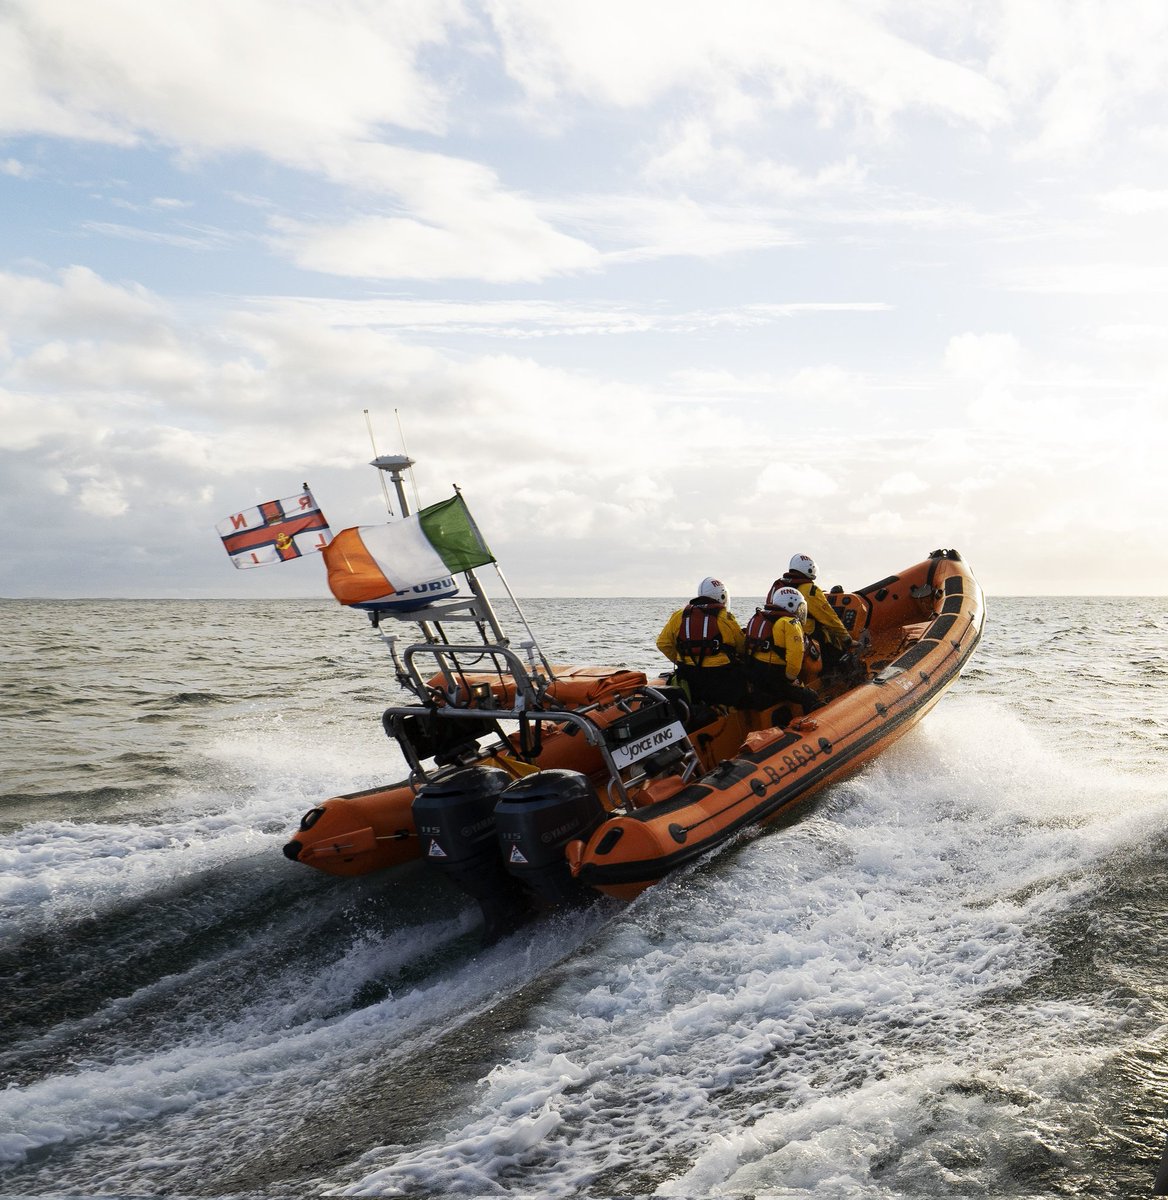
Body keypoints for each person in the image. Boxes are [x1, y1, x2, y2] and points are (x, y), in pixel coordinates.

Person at [656, 576, 746, 708]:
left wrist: (680, 659)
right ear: (722, 596)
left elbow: (663, 643)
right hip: (720, 677)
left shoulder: (679, 615)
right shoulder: (725, 618)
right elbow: (741, 647)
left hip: (688, 675)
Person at [743, 586, 823, 716]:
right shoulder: (790, 623)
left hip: (755, 673)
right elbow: (795, 656)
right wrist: (791, 678)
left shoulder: (760, 618)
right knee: (811, 697)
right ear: (791, 604)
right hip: (775, 675)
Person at [772, 553, 857, 675]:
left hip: (779, 634)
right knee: (835, 648)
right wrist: (846, 639)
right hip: (804, 633)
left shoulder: (781, 585)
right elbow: (829, 618)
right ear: (809, 568)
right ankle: (839, 680)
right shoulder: (810, 589)